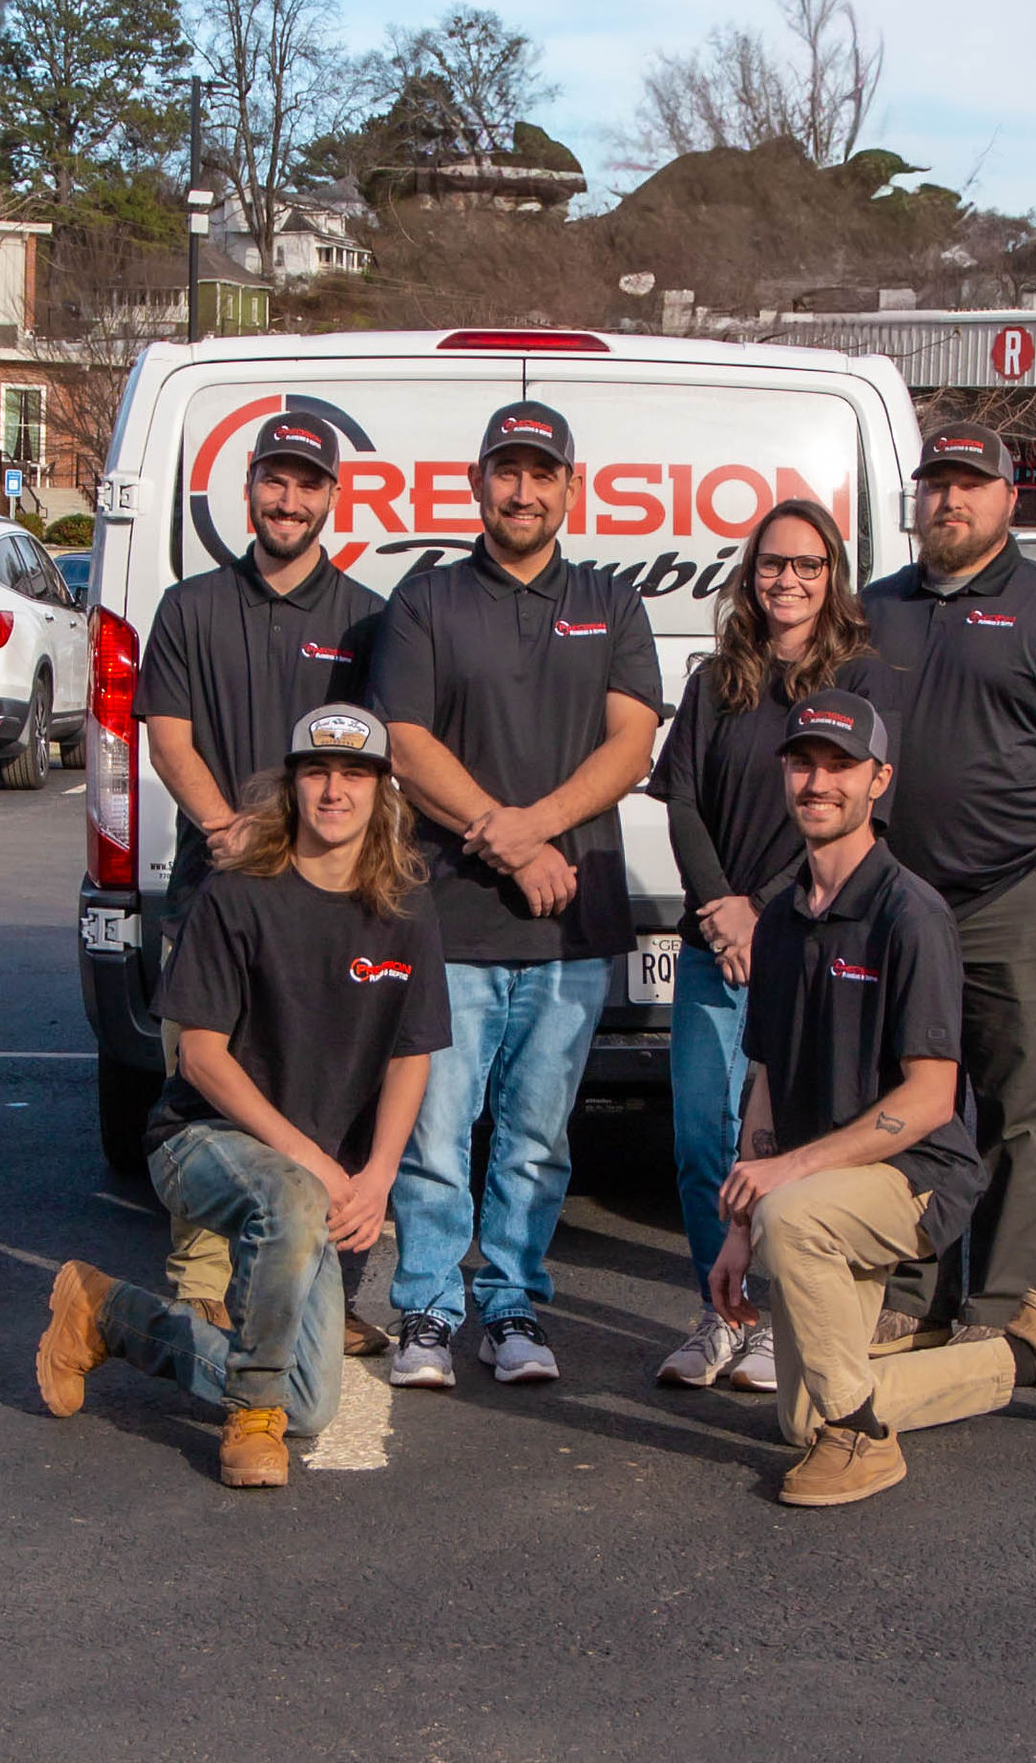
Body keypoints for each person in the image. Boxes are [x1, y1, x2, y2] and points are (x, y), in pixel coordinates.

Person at [711, 687, 1036, 1508]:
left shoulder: (911, 914)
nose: (818, 782)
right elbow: (764, 1078)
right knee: (801, 1416)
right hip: (824, 1186)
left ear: (878, 780)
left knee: (797, 1226)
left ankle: (863, 1443)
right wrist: (739, 1223)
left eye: (840, 766)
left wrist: (784, 1182)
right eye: (803, 764)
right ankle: (1022, 1359)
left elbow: (933, 1099)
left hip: (915, 1177)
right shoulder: (783, 920)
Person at [36, 705, 446, 1489]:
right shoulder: (240, 894)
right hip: (200, 1142)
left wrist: (378, 1175)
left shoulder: (405, 908)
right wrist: (316, 1165)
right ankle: (249, 1419)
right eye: (317, 773)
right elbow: (199, 1056)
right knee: (289, 1198)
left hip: (312, 1174)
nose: (334, 791)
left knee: (314, 1407)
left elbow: (411, 1052)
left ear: (383, 791)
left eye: (354, 775)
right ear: (291, 787)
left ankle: (106, 1311)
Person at [368, 400, 661, 1388]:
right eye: (507, 470)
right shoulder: (427, 603)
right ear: (477, 481)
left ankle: (513, 1307)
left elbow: (631, 742)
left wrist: (532, 827)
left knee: (536, 1141)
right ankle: (425, 1312)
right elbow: (405, 743)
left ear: (570, 488)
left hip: (570, 925)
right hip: (448, 915)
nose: (523, 490)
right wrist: (507, 834)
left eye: (542, 473)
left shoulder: (611, 602)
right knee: (435, 1137)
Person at [862, 423, 1036, 1339]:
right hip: (897, 907)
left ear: (1008, 498)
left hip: (1011, 903)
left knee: (1017, 1115)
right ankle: (910, 1299)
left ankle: (996, 1308)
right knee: (906, 1109)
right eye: (936, 483)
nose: (949, 499)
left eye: (969, 484)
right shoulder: (876, 608)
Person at [133, 410, 384, 1343]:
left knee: (325, 1085)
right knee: (206, 1084)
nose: (289, 499)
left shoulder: (364, 618)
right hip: (219, 889)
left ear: (331, 496)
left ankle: (328, 1290)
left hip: (328, 900)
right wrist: (225, 828)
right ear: (249, 489)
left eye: (308, 483)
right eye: (274, 481)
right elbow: (168, 735)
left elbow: (371, 761)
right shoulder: (191, 609)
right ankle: (200, 1285)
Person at [646, 495, 887, 1394]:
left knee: (786, 1139)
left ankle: (780, 1322)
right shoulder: (717, 680)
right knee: (703, 1137)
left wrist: (766, 913)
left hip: (810, 950)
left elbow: (847, 814)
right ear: (750, 577)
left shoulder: (858, 683)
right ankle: (722, 1315)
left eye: (807, 566)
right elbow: (681, 801)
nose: (788, 580)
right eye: (773, 565)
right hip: (717, 946)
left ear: (832, 579)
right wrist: (720, 905)